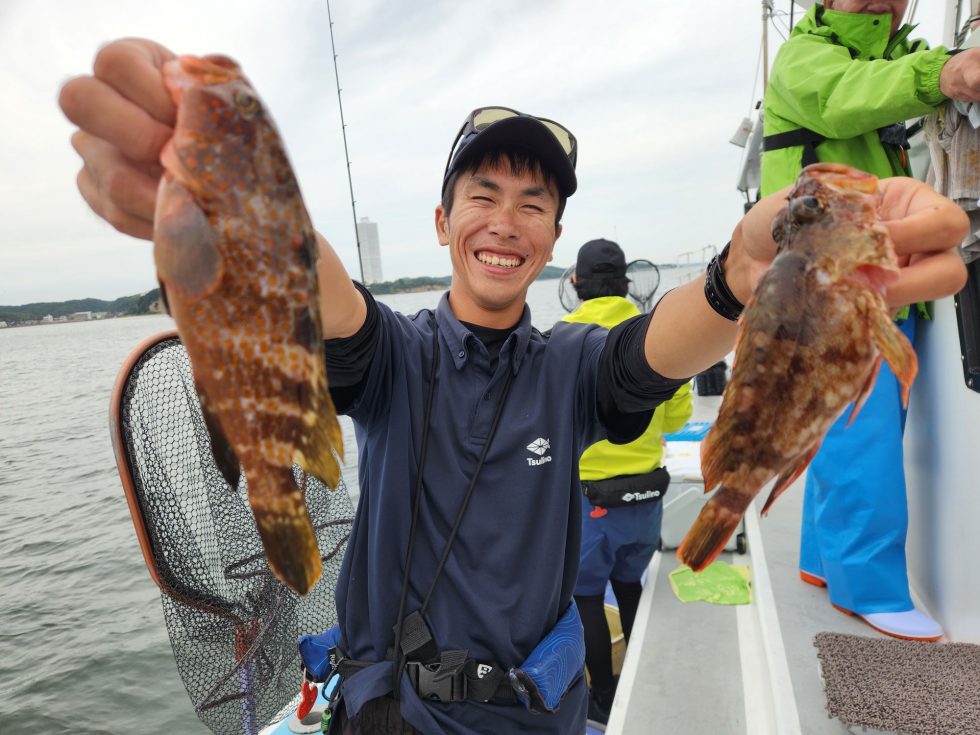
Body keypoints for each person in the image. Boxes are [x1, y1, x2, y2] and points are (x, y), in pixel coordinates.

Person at [59, 39, 968, 734]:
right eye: (483, 195)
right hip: (401, 712)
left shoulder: (571, 365)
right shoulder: (395, 359)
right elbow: (322, 284)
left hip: (543, 709)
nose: (506, 222)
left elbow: (665, 341)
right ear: (443, 219)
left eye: (534, 204)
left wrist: (743, 266)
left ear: (556, 236)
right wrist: (246, 193)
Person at [761, 1, 980, 641]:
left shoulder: (891, 55)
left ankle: (822, 562)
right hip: (834, 293)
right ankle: (869, 587)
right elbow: (844, 96)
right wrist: (945, 74)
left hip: (869, 291)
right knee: (865, 440)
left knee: (843, 429)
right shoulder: (805, 57)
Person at [563, 239, 693, 724]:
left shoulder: (560, 337)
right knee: (631, 585)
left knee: (587, 597)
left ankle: (603, 697)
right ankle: (644, 679)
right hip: (646, 501)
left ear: (575, 284)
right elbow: (678, 417)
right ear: (627, 284)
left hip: (590, 505)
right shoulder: (658, 334)